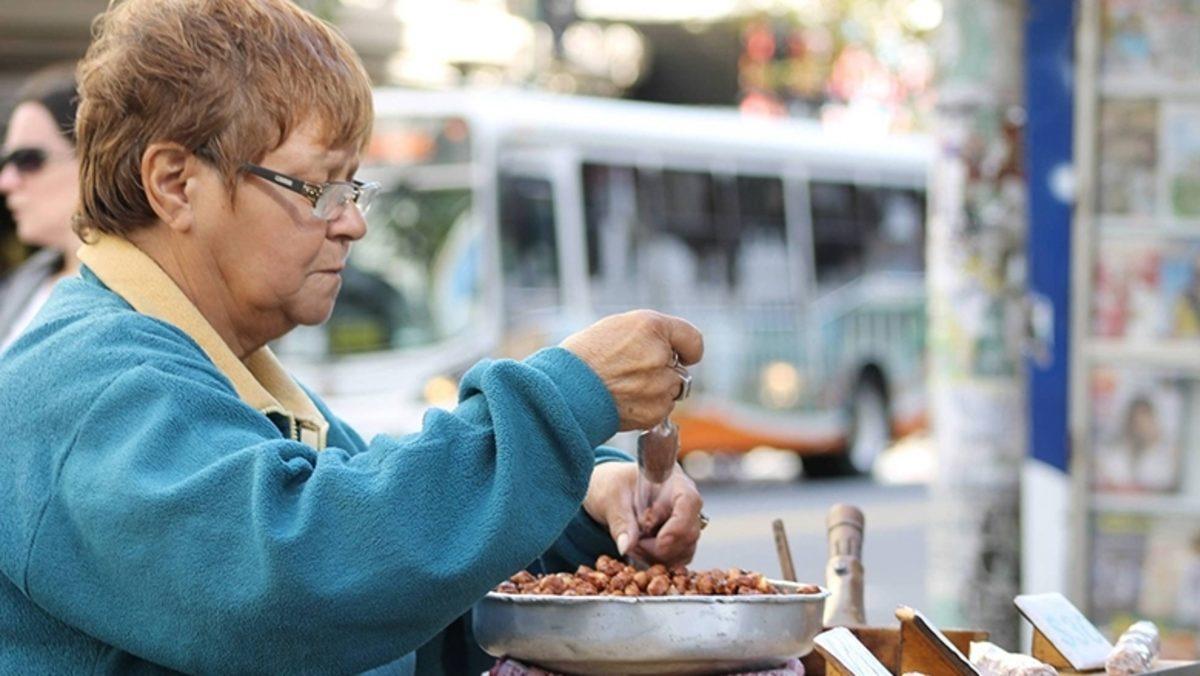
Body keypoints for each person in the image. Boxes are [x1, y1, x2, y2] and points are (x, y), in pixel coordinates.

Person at [0, 1, 705, 674]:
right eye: (317, 188)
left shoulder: (222, 372)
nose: (351, 222)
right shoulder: (89, 385)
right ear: (177, 184)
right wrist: (564, 398)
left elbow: (394, 608)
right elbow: (300, 584)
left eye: (352, 188)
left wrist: (588, 509)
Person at [0, 63, 83, 351]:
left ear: (93, 160)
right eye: (7, 162)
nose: (6, 182)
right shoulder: (20, 285)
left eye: (29, 160)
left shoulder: (146, 290)